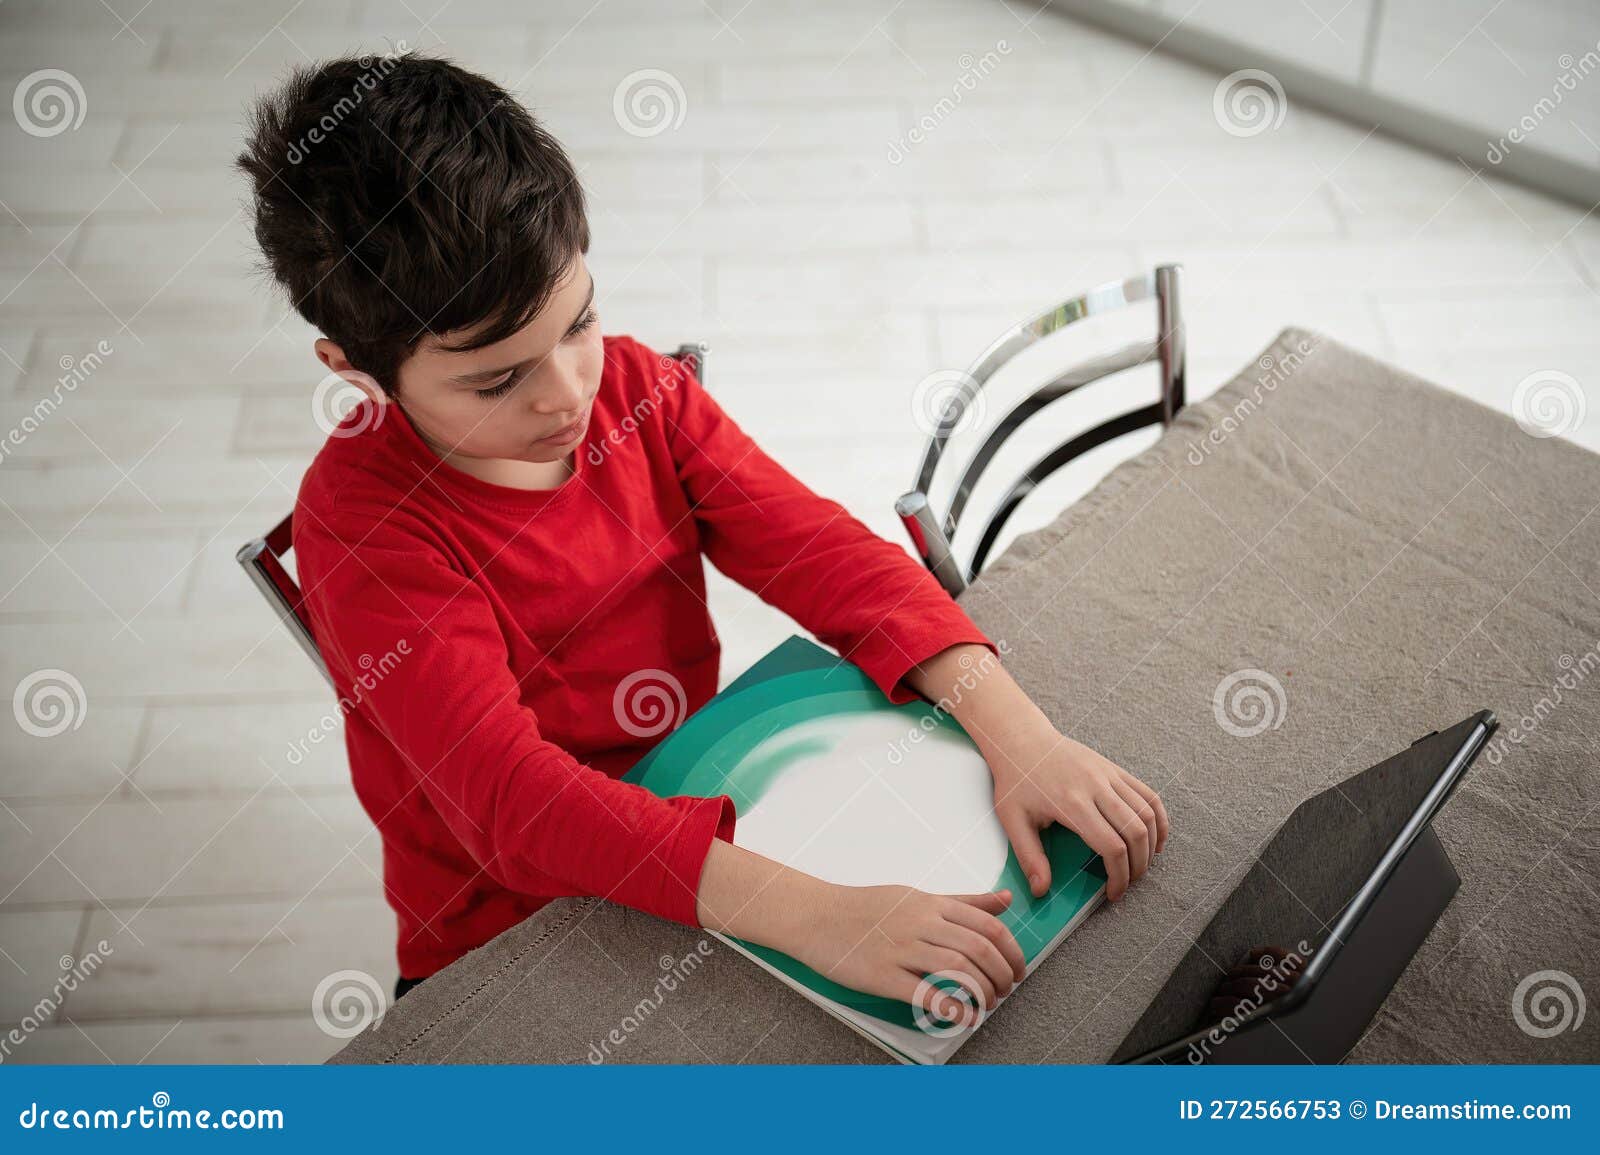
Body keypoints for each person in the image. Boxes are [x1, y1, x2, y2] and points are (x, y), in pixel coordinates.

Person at [236, 53, 1168, 1022]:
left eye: (579, 322)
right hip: (512, 918)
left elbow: (825, 554)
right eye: (496, 380)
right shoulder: (361, 534)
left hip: (705, 788)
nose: (568, 395)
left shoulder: (641, 395)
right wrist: (816, 917)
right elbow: (509, 806)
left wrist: (1022, 736)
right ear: (356, 371)